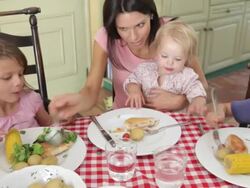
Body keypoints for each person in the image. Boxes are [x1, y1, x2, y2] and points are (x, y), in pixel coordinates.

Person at [49, 0, 208, 120]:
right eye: (123, 29)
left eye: (140, 25)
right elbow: (91, 89)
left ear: (151, 16)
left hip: (170, 121)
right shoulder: (106, 36)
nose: (133, 37)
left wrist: (178, 102)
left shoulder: (172, 33)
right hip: (125, 119)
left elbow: (202, 84)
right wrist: (78, 100)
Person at [124, 21, 207, 115]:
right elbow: (132, 79)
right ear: (156, 51)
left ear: (187, 58)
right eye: (164, 56)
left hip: (175, 122)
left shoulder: (186, 75)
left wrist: (198, 100)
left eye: (178, 59)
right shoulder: (145, 69)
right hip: (147, 119)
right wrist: (134, 91)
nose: (170, 62)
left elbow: (196, 88)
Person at [0, 39, 52, 133]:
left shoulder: (31, 99)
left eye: (20, 74)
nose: (19, 82)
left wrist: (60, 117)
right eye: (7, 77)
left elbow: (49, 125)